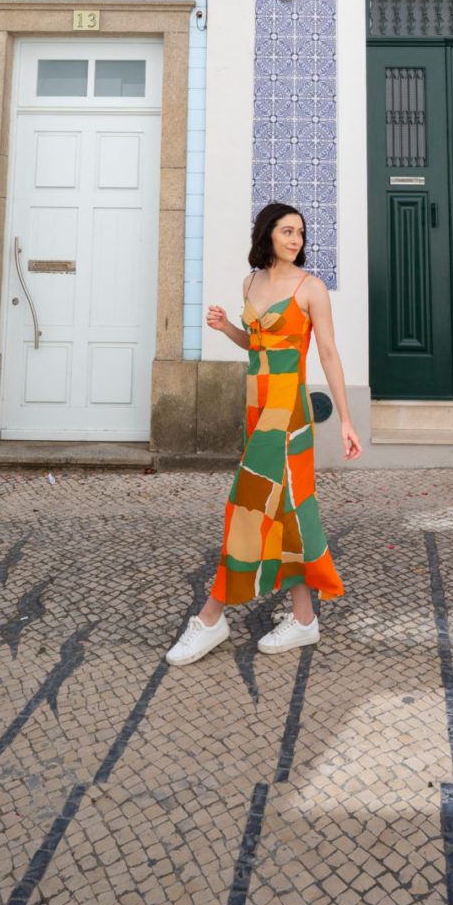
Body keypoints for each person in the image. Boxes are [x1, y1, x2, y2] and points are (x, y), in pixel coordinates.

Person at [166, 201, 362, 666]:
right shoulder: (250, 282)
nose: (295, 240)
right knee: (289, 509)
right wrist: (227, 328)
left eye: (300, 233)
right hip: (257, 410)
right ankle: (303, 617)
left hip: (287, 414)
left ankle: (212, 618)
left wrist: (348, 421)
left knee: (248, 506)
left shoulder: (312, 289)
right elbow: (256, 345)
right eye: (287, 231)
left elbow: (329, 354)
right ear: (267, 234)